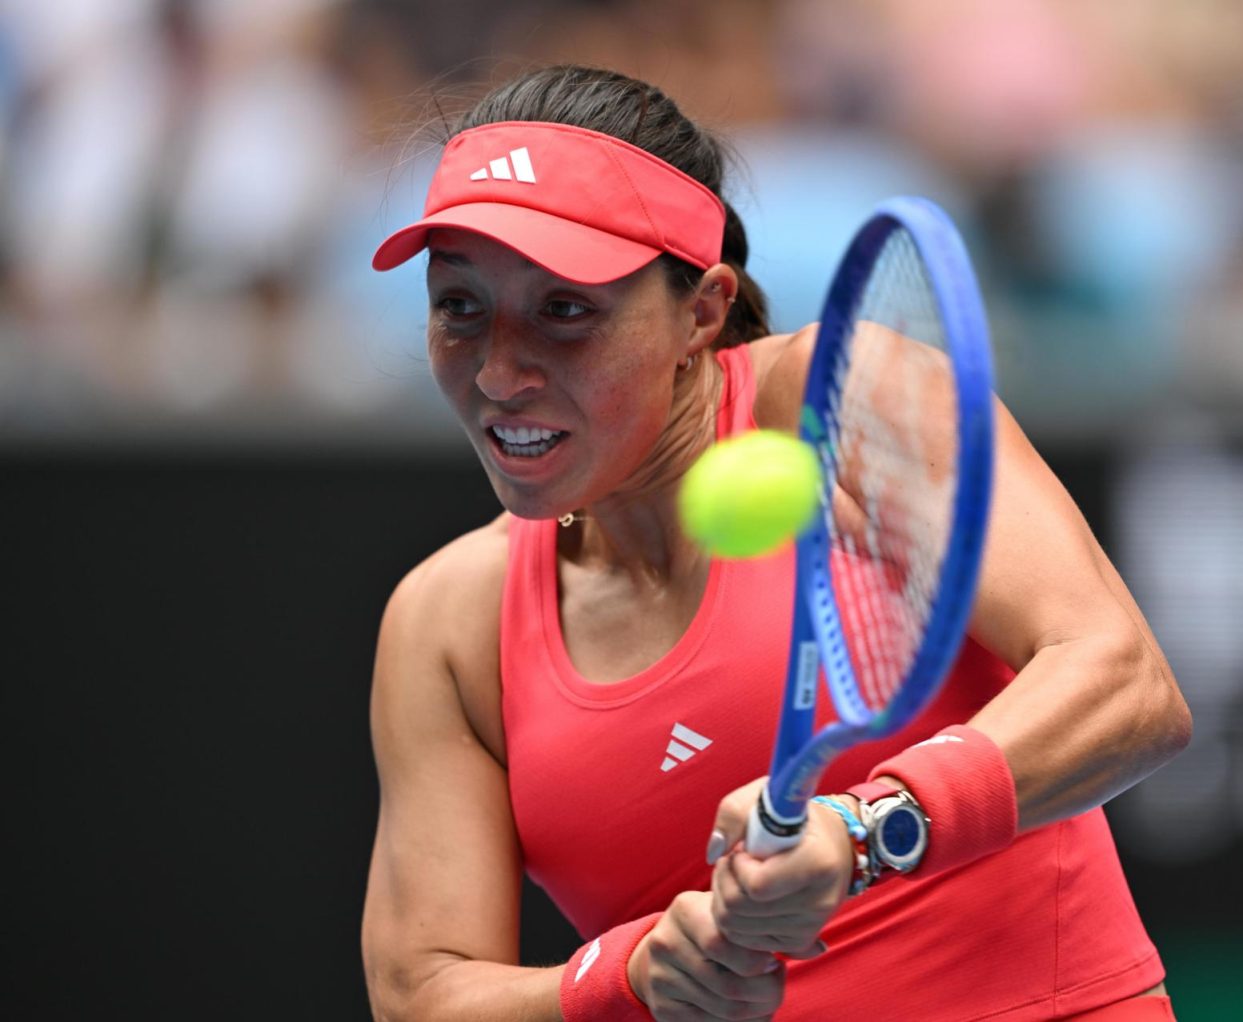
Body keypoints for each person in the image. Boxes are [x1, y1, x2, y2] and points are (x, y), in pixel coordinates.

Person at [361, 64, 1192, 1022]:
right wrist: (621, 979)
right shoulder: (446, 621)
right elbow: (423, 991)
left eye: (565, 310)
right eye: (460, 306)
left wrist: (873, 826)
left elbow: (1126, 684)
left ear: (701, 310)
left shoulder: (847, 401)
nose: (500, 372)